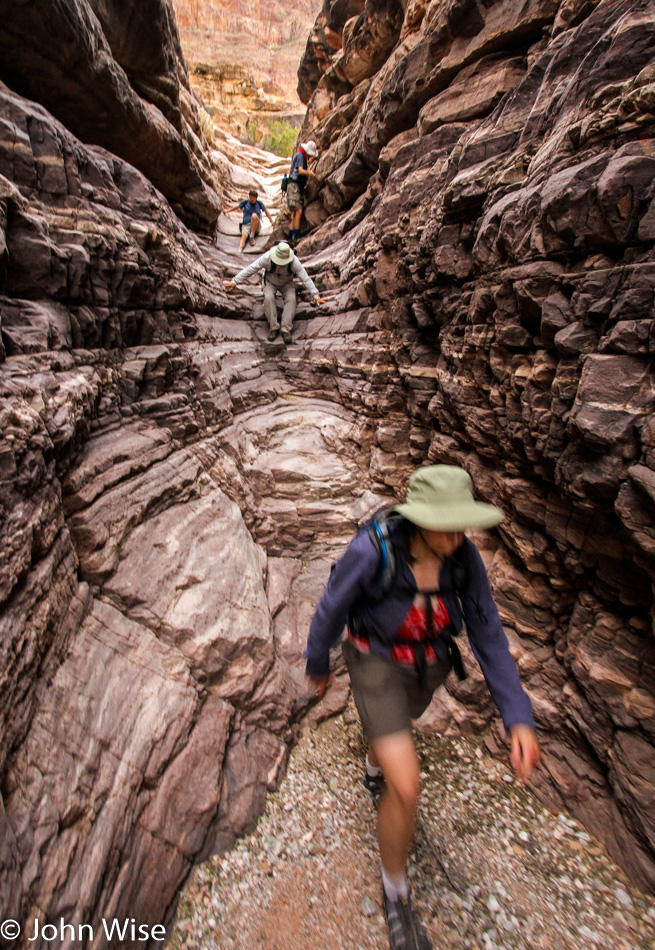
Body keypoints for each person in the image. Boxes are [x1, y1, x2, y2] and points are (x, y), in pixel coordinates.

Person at [305, 465, 541, 950]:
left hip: (426, 667)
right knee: (408, 785)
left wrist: (518, 715)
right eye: (446, 526)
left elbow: (488, 632)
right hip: (375, 663)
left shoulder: (463, 559)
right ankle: (396, 893)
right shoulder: (372, 551)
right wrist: (318, 660)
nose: (456, 537)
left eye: (462, 527)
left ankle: (375, 764)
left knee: (393, 736)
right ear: (417, 519)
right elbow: (331, 607)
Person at [223, 241, 326, 343]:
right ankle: (273, 328)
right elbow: (252, 268)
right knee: (268, 298)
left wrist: (316, 296)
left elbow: (305, 278)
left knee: (291, 299)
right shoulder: (267, 257)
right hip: (270, 281)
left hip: (287, 283)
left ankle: (286, 330)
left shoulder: (294, 262)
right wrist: (235, 281)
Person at [286, 140, 319, 247]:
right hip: (294, 186)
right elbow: (300, 170)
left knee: (295, 213)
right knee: (298, 211)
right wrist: (309, 172)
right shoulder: (300, 155)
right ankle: (295, 237)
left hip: (294, 186)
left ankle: (290, 238)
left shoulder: (302, 155)